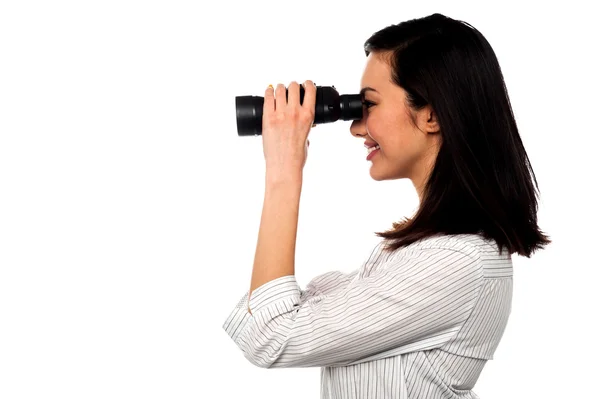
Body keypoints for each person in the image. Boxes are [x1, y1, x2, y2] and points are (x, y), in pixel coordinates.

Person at [222, 12, 550, 399]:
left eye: (369, 105)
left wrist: (283, 170)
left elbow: (269, 334)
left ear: (431, 114)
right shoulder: (417, 252)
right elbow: (262, 319)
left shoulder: (457, 261)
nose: (357, 127)